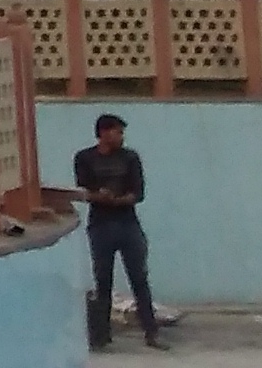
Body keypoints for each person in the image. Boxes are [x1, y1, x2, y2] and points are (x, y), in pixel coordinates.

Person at [75, 112, 162, 349]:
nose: (121, 137)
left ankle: (151, 332)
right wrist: (100, 196)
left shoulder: (130, 158)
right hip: (100, 226)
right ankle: (101, 336)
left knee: (139, 278)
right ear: (103, 133)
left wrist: (118, 200)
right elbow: (83, 191)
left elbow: (138, 193)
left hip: (127, 223)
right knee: (103, 280)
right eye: (118, 132)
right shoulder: (84, 158)